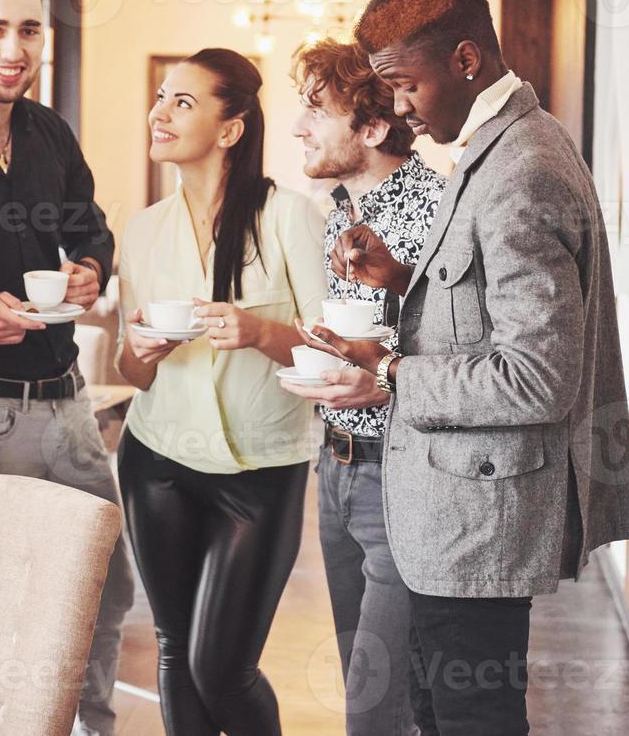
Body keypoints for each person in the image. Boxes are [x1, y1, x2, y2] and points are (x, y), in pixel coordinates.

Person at [301, 0, 629, 735]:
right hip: (452, 513)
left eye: (404, 84)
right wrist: (398, 282)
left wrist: (386, 372)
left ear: (464, 59)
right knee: (434, 709)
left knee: (470, 717)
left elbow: (534, 378)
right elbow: (483, 310)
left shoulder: (521, 168)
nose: (396, 107)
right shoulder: (499, 146)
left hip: (475, 516)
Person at [0, 0, 132, 736]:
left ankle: (95, 728)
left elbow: (90, 225)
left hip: (70, 401)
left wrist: (89, 270)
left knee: (102, 590)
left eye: (28, 30)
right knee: (2, 608)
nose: (12, 48)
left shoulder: (48, 129)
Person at [116, 48, 327, 735]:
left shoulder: (288, 217)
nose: (159, 113)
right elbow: (133, 371)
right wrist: (141, 350)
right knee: (176, 652)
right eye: (159, 98)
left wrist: (260, 332)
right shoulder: (142, 231)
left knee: (221, 668)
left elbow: (333, 356)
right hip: (157, 463)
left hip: (261, 472)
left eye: (182, 101)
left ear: (230, 127)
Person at [280, 38, 445, 736]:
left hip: (405, 474)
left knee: (376, 711)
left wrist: (380, 378)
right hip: (339, 464)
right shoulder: (343, 207)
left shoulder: (440, 208)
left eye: (315, 111)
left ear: (372, 129)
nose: (298, 128)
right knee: (368, 678)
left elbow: (460, 350)